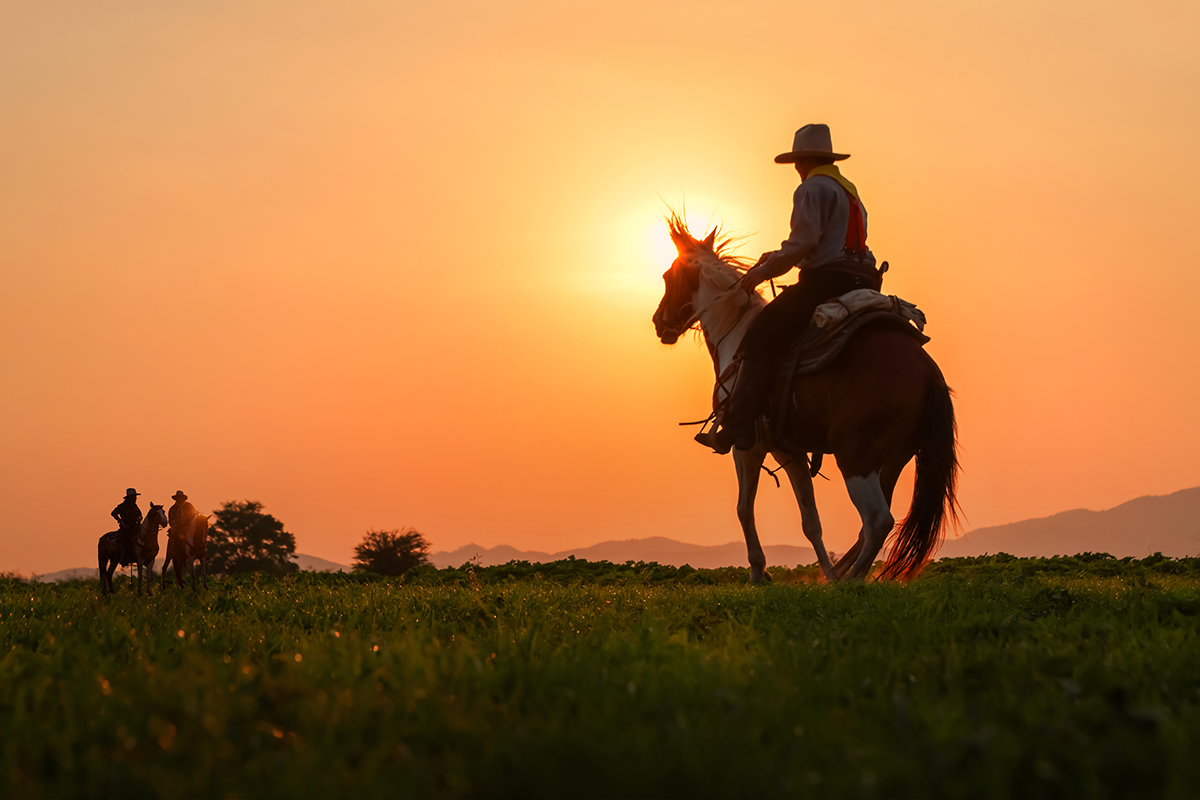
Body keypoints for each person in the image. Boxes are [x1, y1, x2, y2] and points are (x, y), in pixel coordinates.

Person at [698, 123, 885, 454]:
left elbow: (804, 242)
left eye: (797, 162)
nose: (797, 169)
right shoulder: (848, 189)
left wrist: (762, 272)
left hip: (826, 282)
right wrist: (780, 255)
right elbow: (825, 242)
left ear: (804, 160)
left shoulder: (811, 190)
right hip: (863, 278)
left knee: (761, 334)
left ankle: (739, 424)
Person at [111, 488, 143, 562]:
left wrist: (139, 518)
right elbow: (114, 513)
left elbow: (140, 515)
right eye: (133, 496)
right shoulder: (122, 506)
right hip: (126, 527)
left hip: (135, 526)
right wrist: (121, 522)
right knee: (126, 539)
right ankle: (124, 556)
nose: (135, 498)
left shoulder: (135, 506)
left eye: (135, 496)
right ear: (129, 498)